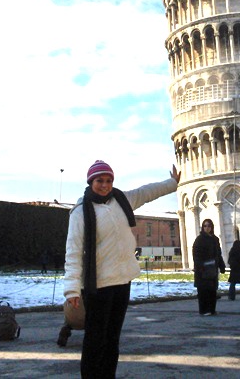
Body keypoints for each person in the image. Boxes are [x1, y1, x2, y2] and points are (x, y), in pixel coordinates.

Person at [64, 160, 181, 378]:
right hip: (98, 285)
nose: (105, 185)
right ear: (91, 182)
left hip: (122, 281)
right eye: (100, 180)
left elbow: (146, 192)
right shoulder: (80, 212)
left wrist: (172, 183)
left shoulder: (121, 200)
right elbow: (73, 252)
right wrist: (71, 289)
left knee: (112, 339)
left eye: (108, 180)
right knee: (94, 341)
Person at [192, 218, 225, 316]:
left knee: (212, 290)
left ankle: (212, 309)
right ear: (202, 227)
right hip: (202, 269)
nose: (207, 228)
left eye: (209, 226)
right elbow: (196, 254)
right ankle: (204, 310)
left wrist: (221, 265)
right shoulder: (199, 239)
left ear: (212, 227)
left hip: (212, 268)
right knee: (203, 290)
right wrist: (200, 266)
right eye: (205, 226)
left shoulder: (215, 239)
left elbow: (218, 253)